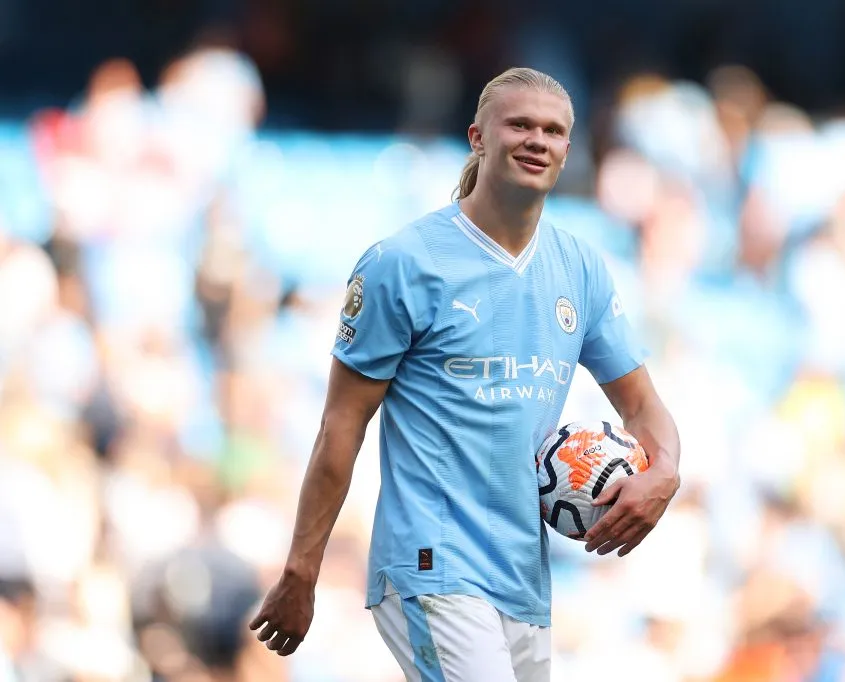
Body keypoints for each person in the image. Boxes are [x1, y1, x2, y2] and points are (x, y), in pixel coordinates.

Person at [249, 67, 681, 681]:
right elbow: (340, 428)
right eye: (521, 125)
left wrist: (664, 473)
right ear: (478, 138)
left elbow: (641, 405)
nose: (538, 140)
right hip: (432, 563)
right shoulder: (403, 264)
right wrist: (301, 570)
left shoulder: (579, 267)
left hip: (523, 576)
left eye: (554, 130)